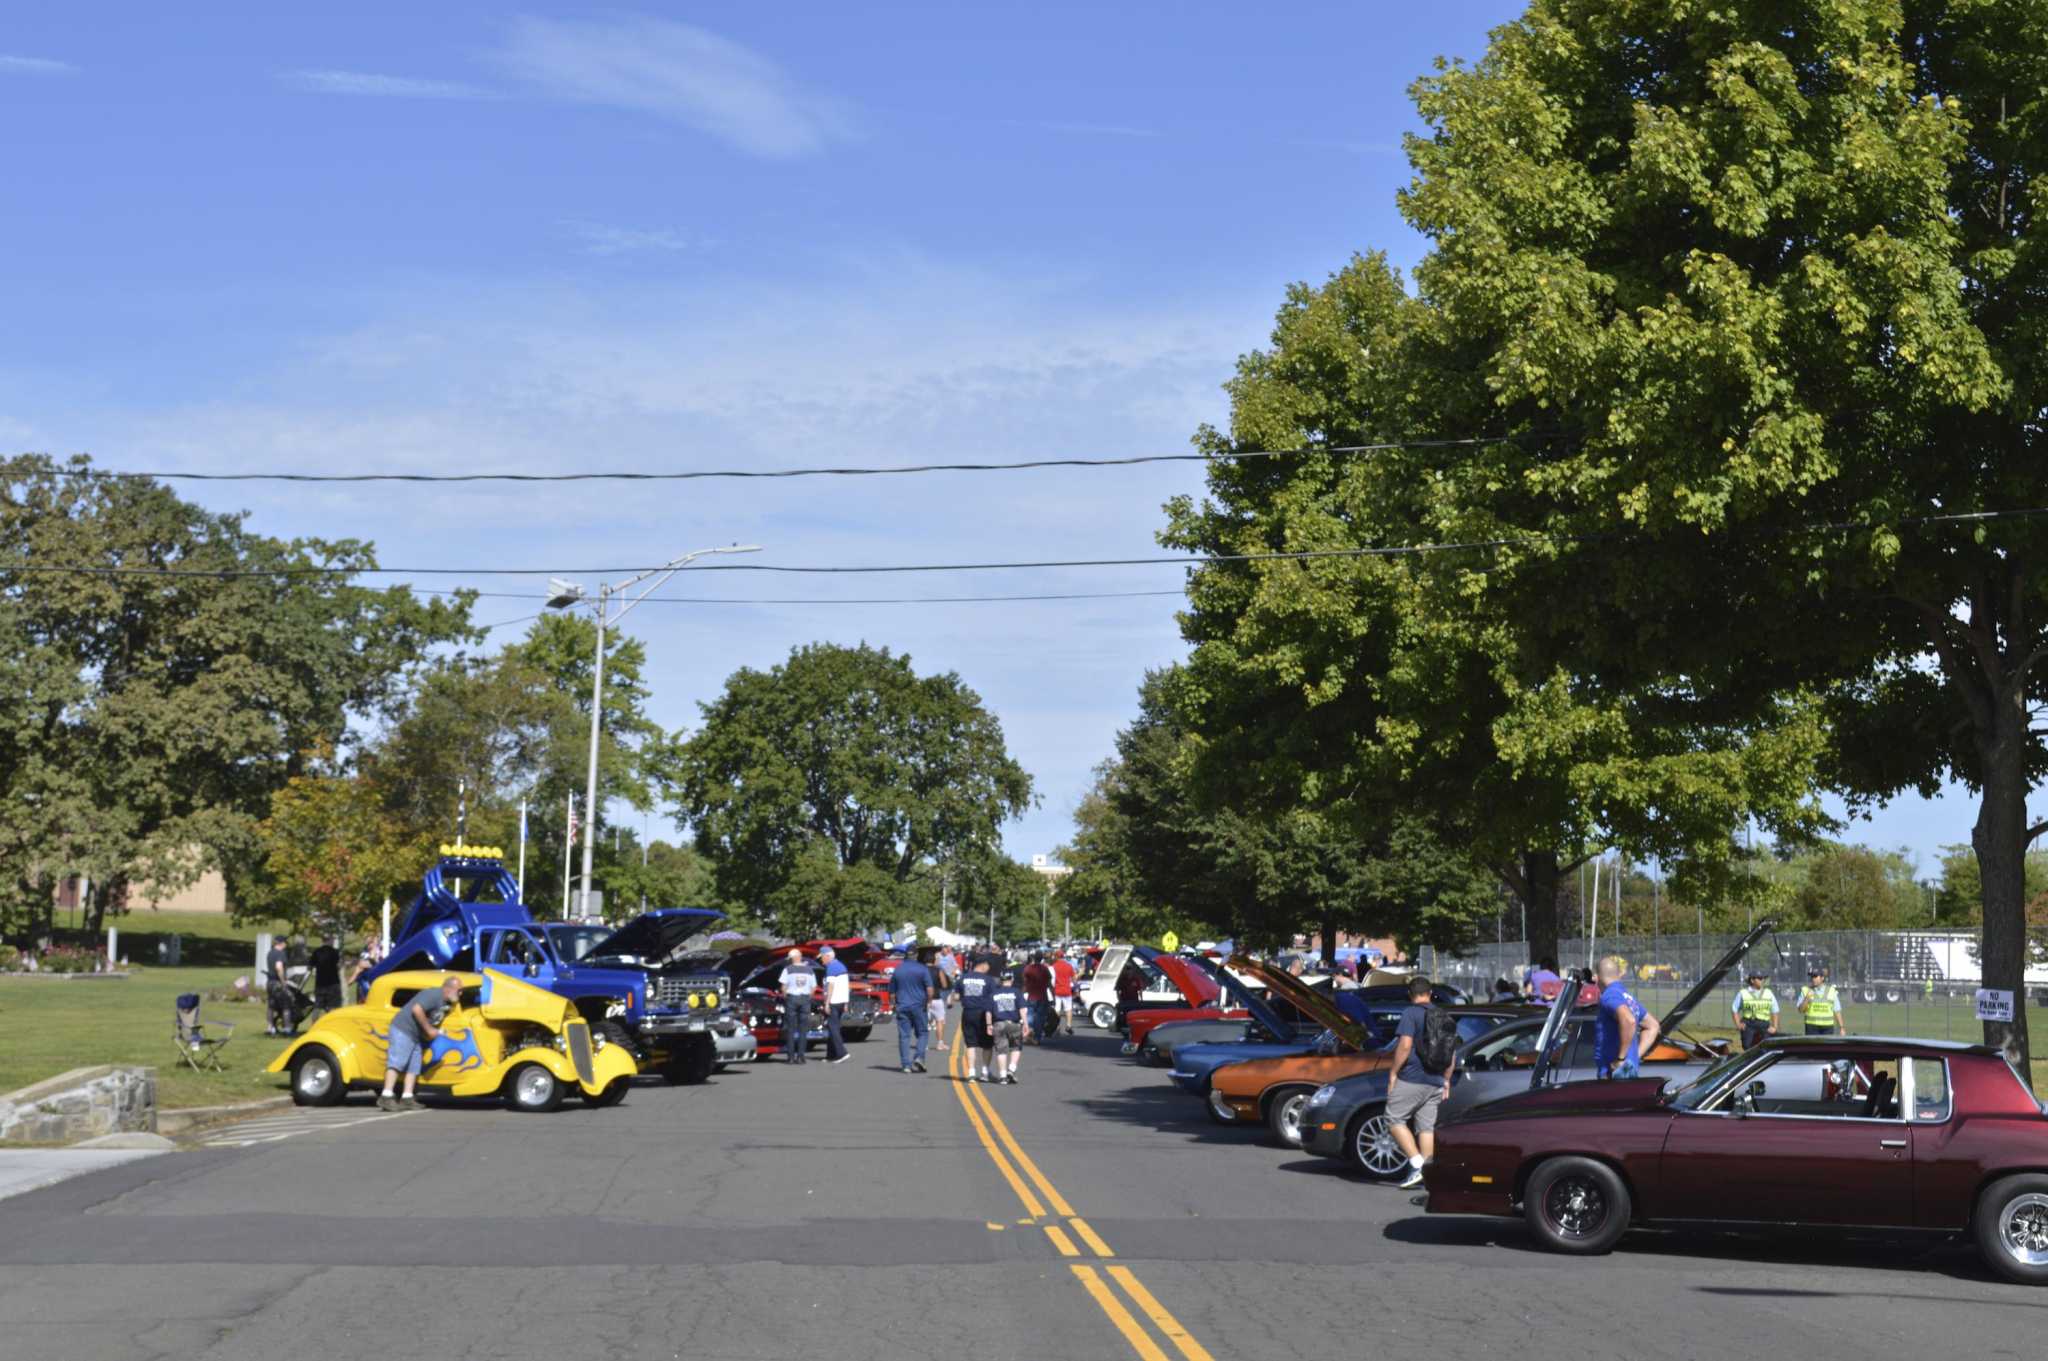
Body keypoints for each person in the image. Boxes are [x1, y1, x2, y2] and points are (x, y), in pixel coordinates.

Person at [1384, 975, 1455, 1189]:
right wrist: (1446, 1080)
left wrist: (1393, 1073)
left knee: (1393, 1119)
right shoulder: (1444, 1015)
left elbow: (1405, 1046)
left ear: (1410, 994)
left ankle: (1417, 1165)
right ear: (1430, 992)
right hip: (1436, 1079)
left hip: (1413, 1077)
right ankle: (1429, 1176)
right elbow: (1451, 1052)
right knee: (1426, 1128)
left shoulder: (1410, 1013)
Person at [381, 976, 461, 1111]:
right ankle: (386, 1096)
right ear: (448, 989)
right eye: (459, 991)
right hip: (403, 1029)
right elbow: (417, 1009)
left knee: (414, 1066)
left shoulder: (446, 1003)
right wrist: (429, 1030)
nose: (461, 994)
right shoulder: (433, 995)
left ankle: (407, 1097)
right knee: (397, 1062)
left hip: (416, 1035)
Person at [1594, 955, 1661, 1078]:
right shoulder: (1627, 997)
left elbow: (1629, 1020)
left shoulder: (1610, 995)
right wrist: (1634, 1057)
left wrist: (1620, 1059)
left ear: (1597, 977)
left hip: (1613, 1076)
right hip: (1626, 1075)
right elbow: (1653, 1026)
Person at [890, 947, 935, 1073]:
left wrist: (894, 1005)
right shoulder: (922, 969)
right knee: (923, 1033)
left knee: (904, 1036)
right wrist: (928, 1002)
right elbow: (930, 990)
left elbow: (892, 993)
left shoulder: (898, 969)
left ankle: (906, 1065)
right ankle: (919, 1057)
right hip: (919, 1006)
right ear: (916, 956)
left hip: (902, 1006)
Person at [957, 957, 997, 1082]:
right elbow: (994, 998)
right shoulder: (989, 980)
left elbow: (957, 996)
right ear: (983, 965)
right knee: (987, 1044)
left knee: (971, 1044)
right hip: (984, 1013)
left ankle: (971, 1072)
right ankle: (985, 1071)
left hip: (968, 1012)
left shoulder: (963, 978)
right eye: (988, 966)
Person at [988, 969, 1029, 1084]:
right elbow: (1022, 1009)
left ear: (1001, 980)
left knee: (1001, 1051)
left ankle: (1002, 1077)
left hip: (998, 1023)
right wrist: (1025, 1024)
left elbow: (988, 1011)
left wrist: (989, 1024)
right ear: (1012, 979)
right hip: (1014, 1024)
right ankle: (1011, 1069)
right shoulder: (1016, 992)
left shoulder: (994, 993)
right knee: (1016, 1047)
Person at [778, 949, 817, 1064]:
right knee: (803, 1029)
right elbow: (814, 987)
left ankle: (790, 1057)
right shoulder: (809, 970)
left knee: (790, 1028)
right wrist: (808, 997)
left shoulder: (788, 970)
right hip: (805, 999)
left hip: (792, 999)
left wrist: (786, 996)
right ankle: (801, 1056)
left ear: (792, 958)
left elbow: (783, 987)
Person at [1732, 969, 1780, 1049]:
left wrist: (1775, 1027)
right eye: (1760, 978)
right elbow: (1734, 1009)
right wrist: (1738, 1024)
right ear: (1752, 980)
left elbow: (1775, 1010)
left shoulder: (1769, 993)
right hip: (1748, 1024)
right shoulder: (1743, 993)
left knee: (1766, 1048)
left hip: (1764, 1024)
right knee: (1747, 1047)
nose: (1762, 980)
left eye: (1763, 978)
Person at [819, 946, 851, 1064]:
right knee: (834, 1027)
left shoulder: (831, 968)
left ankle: (841, 1053)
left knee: (833, 1028)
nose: (821, 960)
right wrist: (846, 1002)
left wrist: (827, 1003)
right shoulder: (841, 966)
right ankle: (831, 1054)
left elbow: (831, 986)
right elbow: (846, 985)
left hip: (834, 1001)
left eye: (822, 957)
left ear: (827, 956)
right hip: (842, 1001)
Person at [1797, 965, 1844, 1035]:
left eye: (1815, 976)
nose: (1813, 979)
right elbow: (1800, 1010)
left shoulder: (1831, 991)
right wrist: (1806, 999)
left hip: (1828, 1028)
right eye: (1812, 976)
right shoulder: (1805, 990)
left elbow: (1837, 1011)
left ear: (1822, 978)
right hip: (1811, 1027)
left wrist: (1841, 1028)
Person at [1020, 952, 1053, 1044]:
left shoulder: (1028, 968)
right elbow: (1049, 983)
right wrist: (1053, 996)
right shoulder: (1045, 968)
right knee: (1040, 1018)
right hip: (1042, 996)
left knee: (1029, 1016)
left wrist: (1022, 994)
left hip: (1031, 996)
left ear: (1034, 958)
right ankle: (1037, 1038)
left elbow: (1024, 982)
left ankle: (1027, 1034)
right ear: (1042, 958)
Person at [931, 946, 959, 1051]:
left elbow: (956, 966)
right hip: (938, 979)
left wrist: (953, 973)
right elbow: (935, 965)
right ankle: (935, 1019)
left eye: (948, 950)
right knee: (939, 999)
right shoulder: (937, 956)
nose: (947, 951)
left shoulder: (951, 957)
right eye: (946, 949)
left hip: (948, 979)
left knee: (944, 997)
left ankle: (937, 1018)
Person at [308, 936, 344, 1017]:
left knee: (317, 1006)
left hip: (320, 984)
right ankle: (331, 1025)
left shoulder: (316, 952)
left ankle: (313, 1025)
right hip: (333, 984)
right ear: (330, 940)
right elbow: (339, 965)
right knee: (333, 1006)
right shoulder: (335, 952)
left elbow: (309, 967)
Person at [264, 935, 291, 1036]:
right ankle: (287, 1028)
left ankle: (270, 1027)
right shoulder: (280, 953)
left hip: (270, 983)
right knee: (286, 1005)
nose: (286, 944)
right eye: (285, 942)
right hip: (277, 983)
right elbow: (279, 967)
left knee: (271, 1006)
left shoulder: (270, 953)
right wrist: (283, 982)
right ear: (281, 943)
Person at [1051, 951, 1077, 1033]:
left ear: (1056, 957)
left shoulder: (1053, 966)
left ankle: (1057, 1026)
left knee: (1057, 1009)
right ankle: (1068, 1025)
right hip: (1067, 990)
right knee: (1068, 1008)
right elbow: (1074, 978)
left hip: (1057, 990)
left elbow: (1052, 980)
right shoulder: (1069, 966)